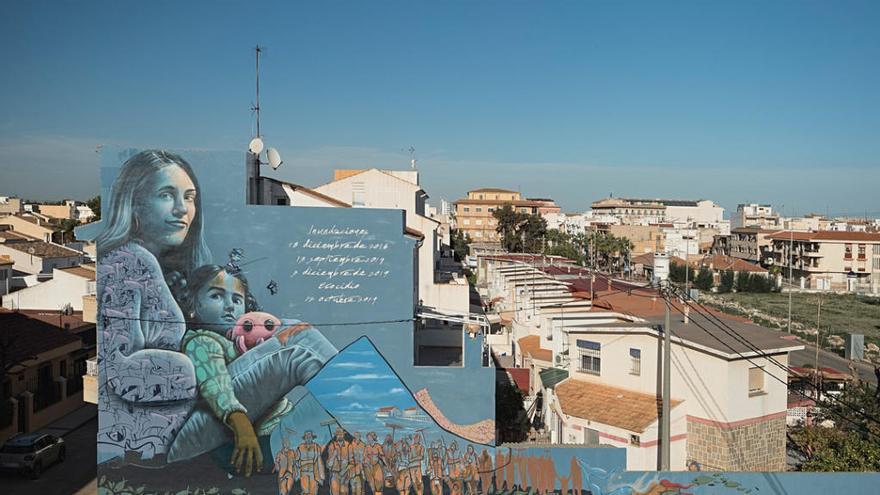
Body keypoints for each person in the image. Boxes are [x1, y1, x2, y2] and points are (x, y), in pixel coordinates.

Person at [166, 264, 337, 477]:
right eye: (217, 296)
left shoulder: (243, 347)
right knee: (298, 335)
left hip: (275, 439)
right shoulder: (202, 341)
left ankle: (376, 421)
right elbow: (215, 385)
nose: (229, 306)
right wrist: (242, 426)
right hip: (239, 443)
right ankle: (376, 413)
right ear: (192, 305)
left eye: (237, 300)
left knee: (339, 404)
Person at [96, 150, 210, 462]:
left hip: (168, 428)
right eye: (166, 195)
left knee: (292, 345)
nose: (182, 209)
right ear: (133, 204)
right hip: (155, 440)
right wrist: (204, 372)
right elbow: (117, 371)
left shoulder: (155, 264)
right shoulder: (127, 262)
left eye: (189, 197)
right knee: (297, 350)